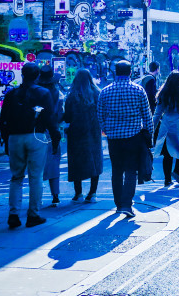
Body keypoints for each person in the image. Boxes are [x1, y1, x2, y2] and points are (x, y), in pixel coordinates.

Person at [0, 62, 56, 228]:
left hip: (15, 137)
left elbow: (3, 120)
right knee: (35, 176)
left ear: (22, 75)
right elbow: (49, 118)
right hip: (36, 136)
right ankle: (33, 214)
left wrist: (6, 141)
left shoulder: (11, 94)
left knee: (16, 177)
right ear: (37, 75)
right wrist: (55, 138)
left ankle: (14, 214)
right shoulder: (43, 93)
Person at [98, 59, 154, 219]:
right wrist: (149, 135)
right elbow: (147, 116)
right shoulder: (138, 90)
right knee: (131, 171)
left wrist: (107, 129)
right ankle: (126, 204)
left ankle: (118, 204)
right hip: (133, 136)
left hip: (114, 138)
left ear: (115, 72)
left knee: (116, 170)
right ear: (130, 72)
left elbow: (100, 115)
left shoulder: (105, 91)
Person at [63, 69, 103, 203]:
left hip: (76, 133)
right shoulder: (98, 94)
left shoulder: (72, 96)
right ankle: (93, 193)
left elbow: (67, 117)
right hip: (93, 132)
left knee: (76, 163)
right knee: (95, 161)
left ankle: (78, 193)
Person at [153, 71, 179, 186]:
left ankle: (167, 180)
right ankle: (176, 171)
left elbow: (157, 113)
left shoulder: (163, 93)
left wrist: (151, 128)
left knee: (167, 154)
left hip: (166, 125)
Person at [38, 65, 65, 206]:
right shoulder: (57, 94)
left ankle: (37, 197)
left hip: (36, 131)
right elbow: (60, 115)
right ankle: (55, 195)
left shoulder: (34, 93)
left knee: (36, 166)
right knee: (54, 163)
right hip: (52, 130)